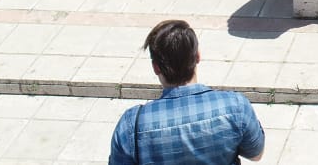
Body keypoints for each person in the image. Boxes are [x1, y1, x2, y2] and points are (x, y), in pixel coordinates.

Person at [110, 20, 265, 164]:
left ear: (156, 67)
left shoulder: (131, 125)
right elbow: (256, 154)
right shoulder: (236, 106)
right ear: (197, 56)